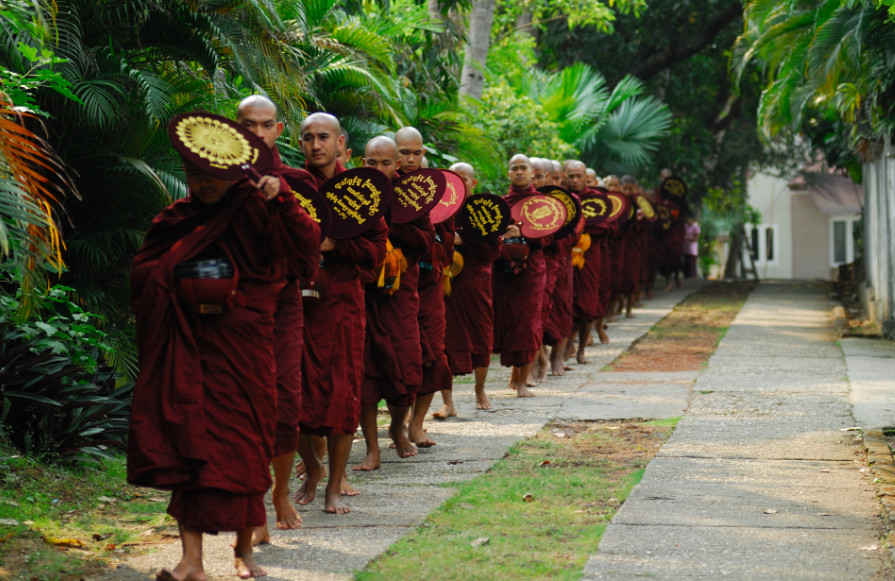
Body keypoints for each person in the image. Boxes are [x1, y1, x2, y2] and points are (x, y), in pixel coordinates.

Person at [128, 114, 319, 580]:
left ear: (230, 171)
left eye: (211, 176)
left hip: (244, 344)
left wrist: (283, 201)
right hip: (191, 347)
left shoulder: (256, 207)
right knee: (190, 447)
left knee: (247, 443)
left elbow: (305, 244)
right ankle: (191, 561)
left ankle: (244, 552)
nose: (203, 185)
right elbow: (144, 272)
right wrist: (181, 286)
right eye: (194, 176)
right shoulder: (179, 217)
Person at [235, 95, 321, 546]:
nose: (258, 133)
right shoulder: (216, 180)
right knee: (246, 406)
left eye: (266, 125)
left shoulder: (298, 181)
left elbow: (310, 245)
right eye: (248, 125)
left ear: (279, 130)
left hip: (284, 299)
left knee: (286, 400)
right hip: (236, 302)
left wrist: (281, 196)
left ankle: (281, 493)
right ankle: (253, 507)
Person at [294, 113, 388, 514]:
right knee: (292, 393)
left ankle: (334, 484)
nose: (316, 145)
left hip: (343, 303)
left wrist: (337, 246)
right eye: (308, 138)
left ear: (340, 143)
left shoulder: (361, 192)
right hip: (296, 302)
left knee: (342, 393)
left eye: (324, 138)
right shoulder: (291, 188)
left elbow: (377, 251)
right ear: (300, 144)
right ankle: (313, 468)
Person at [354, 135, 434, 470]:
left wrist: (392, 227)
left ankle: (398, 427)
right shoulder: (352, 192)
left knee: (408, 369)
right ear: (362, 163)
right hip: (365, 293)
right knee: (366, 373)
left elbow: (427, 242)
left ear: (397, 164)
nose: (378, 168)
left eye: (385, 163)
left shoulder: (410, 196)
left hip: (401, 295)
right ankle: (372, 448)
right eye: (372, 163)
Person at [392, 127, 453, 448]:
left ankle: (417, 424)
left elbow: (447, 232)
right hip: (392, 285)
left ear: (424, 152)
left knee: (434, 355)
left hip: (429, 284)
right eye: (404, 153)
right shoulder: (383, 182)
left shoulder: (437, 188)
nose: (411, 159)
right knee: (399, 356)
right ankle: (398, 425)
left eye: (417, 153)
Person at [438, 162, 502, 416]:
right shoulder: (441, 209)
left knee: (481, 337)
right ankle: (448, 402)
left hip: (476, 284)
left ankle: (480, 389)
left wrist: (469, 239)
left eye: (463, 178)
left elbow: (494, 252)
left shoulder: (484, 211)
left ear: (473, 183)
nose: (459, 182)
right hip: (445, 284)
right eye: (453, 178)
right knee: (443, 340)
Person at [492, 154, 547, 396]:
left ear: (533, 172)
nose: (519, 172)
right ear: (508, 174)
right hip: (504, 270)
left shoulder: (543, 203)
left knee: (528, 322)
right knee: (509, 320)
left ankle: (525, 379)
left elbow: (549, 237)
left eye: (523, 168)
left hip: (531, 270)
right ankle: (515, 372)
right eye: (514, 168)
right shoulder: (502, 204)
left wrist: (523, 232)